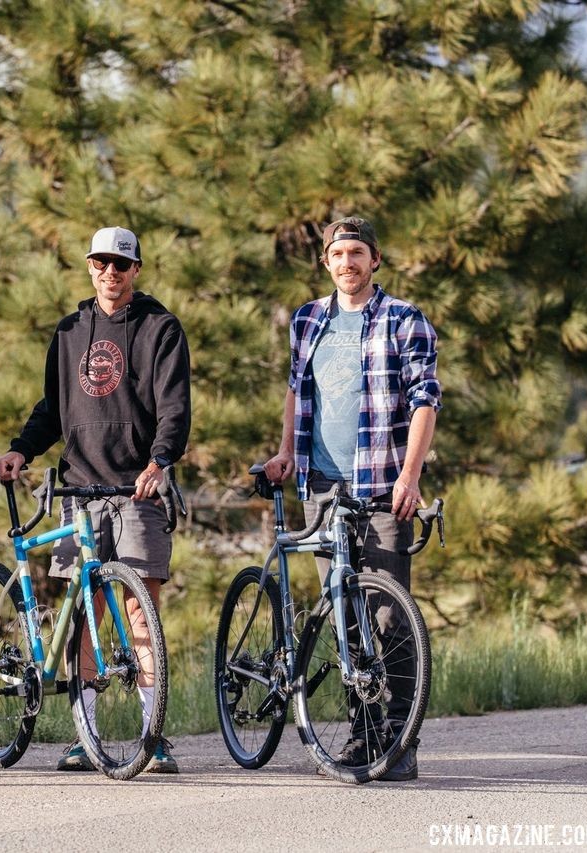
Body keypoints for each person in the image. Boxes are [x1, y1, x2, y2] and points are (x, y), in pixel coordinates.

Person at [0, 226, 191, 774]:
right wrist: (20, 450)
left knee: (140, 610)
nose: (110, 272)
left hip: (137, 487)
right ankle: (87, 735)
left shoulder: (160, 327)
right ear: (88, 266)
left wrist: (160, 462)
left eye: (121, 264)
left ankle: (154, 736)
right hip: (80, 487)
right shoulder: (70, 330)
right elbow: (51, 409)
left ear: (136, 270)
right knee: (87, 611)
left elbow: (174, 407)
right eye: (101, 263)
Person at [263, 216, 440, 781]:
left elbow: (425, 402)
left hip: (383, 486)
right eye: (338, 253)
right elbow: (297, 389)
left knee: (391, 617)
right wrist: (286, 450)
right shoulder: (308, 319)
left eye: (358, 252)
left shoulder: (404, 319)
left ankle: (400, 739)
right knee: (342, 616)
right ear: (326, 261)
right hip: (321, 486)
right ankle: (362, 735)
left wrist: (409, 477)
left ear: (375, 260)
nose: (348, 263)